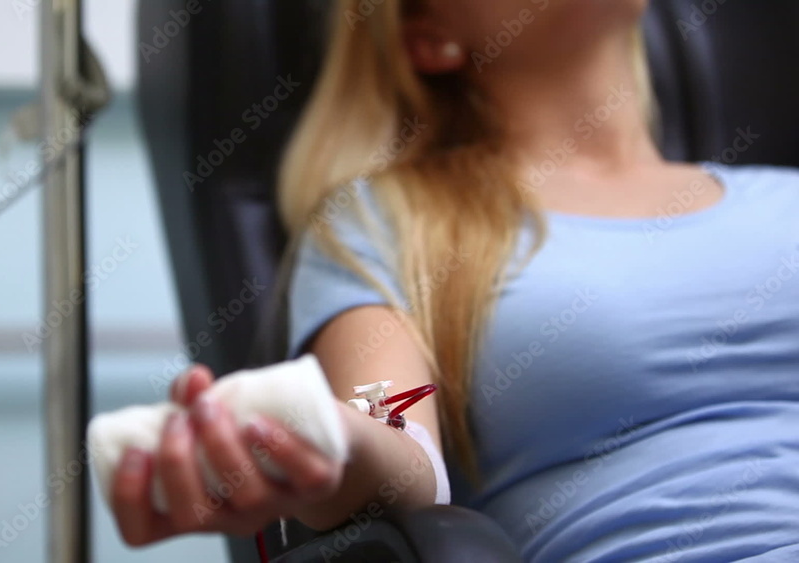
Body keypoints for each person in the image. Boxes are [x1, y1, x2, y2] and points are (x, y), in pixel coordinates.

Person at [111, 0, 799, 560]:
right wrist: (323, 440)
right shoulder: (392, 222)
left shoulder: (784, 197)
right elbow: (391, 419)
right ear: (430, 38)